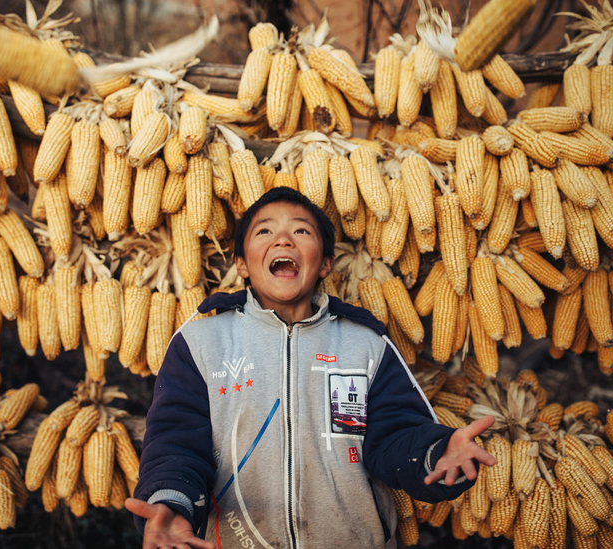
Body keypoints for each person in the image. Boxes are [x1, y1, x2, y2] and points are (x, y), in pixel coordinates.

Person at [126, 187, 495, 549]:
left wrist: (436, 453)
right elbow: (177, 443)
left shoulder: (365, 345)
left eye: (301, 231)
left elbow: (395, 435)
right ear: (241, 264)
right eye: (265, 231)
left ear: (324, 265)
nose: (284, 240)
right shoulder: (201, 343)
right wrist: (172, 504)